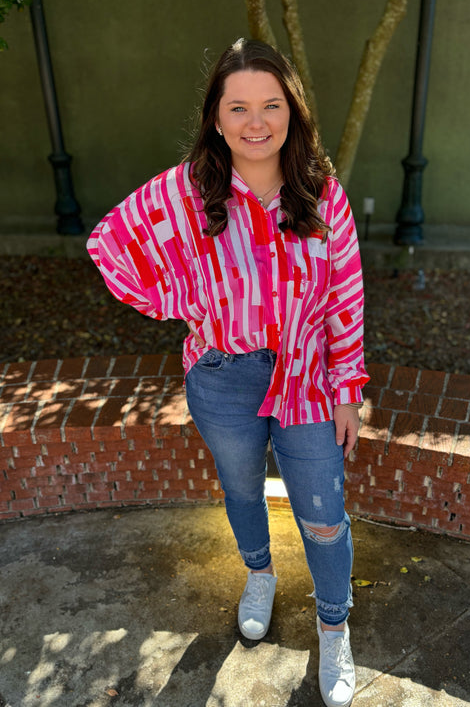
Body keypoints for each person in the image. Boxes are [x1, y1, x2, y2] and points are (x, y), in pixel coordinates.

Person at [87, 37, 369, 707]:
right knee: (242, 491)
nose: (255, 122)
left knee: (324, 514)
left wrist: (348, 391)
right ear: (216, 117)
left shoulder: (320, 193)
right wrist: (187, 305)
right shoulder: (188, 191)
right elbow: (108, 243)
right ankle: (259, 574)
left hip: (306, 378)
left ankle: (334, 625)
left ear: (291, 113)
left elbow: (346, 296)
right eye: (237, 107)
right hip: (222, 377)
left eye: (271, 105)